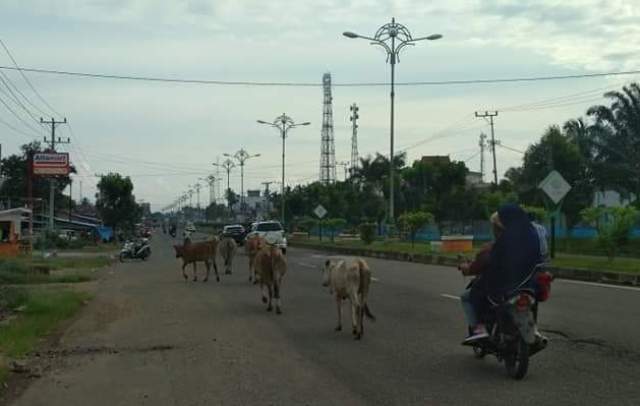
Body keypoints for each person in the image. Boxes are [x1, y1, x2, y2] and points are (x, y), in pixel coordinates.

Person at [461, 204, 542, 344]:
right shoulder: (533, 236)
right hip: (527, 285)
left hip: (501, 289)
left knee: (468, 296)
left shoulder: (501, 243)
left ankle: (479, 329)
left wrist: (467, 268)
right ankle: (532, 330)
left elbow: (484, 262)